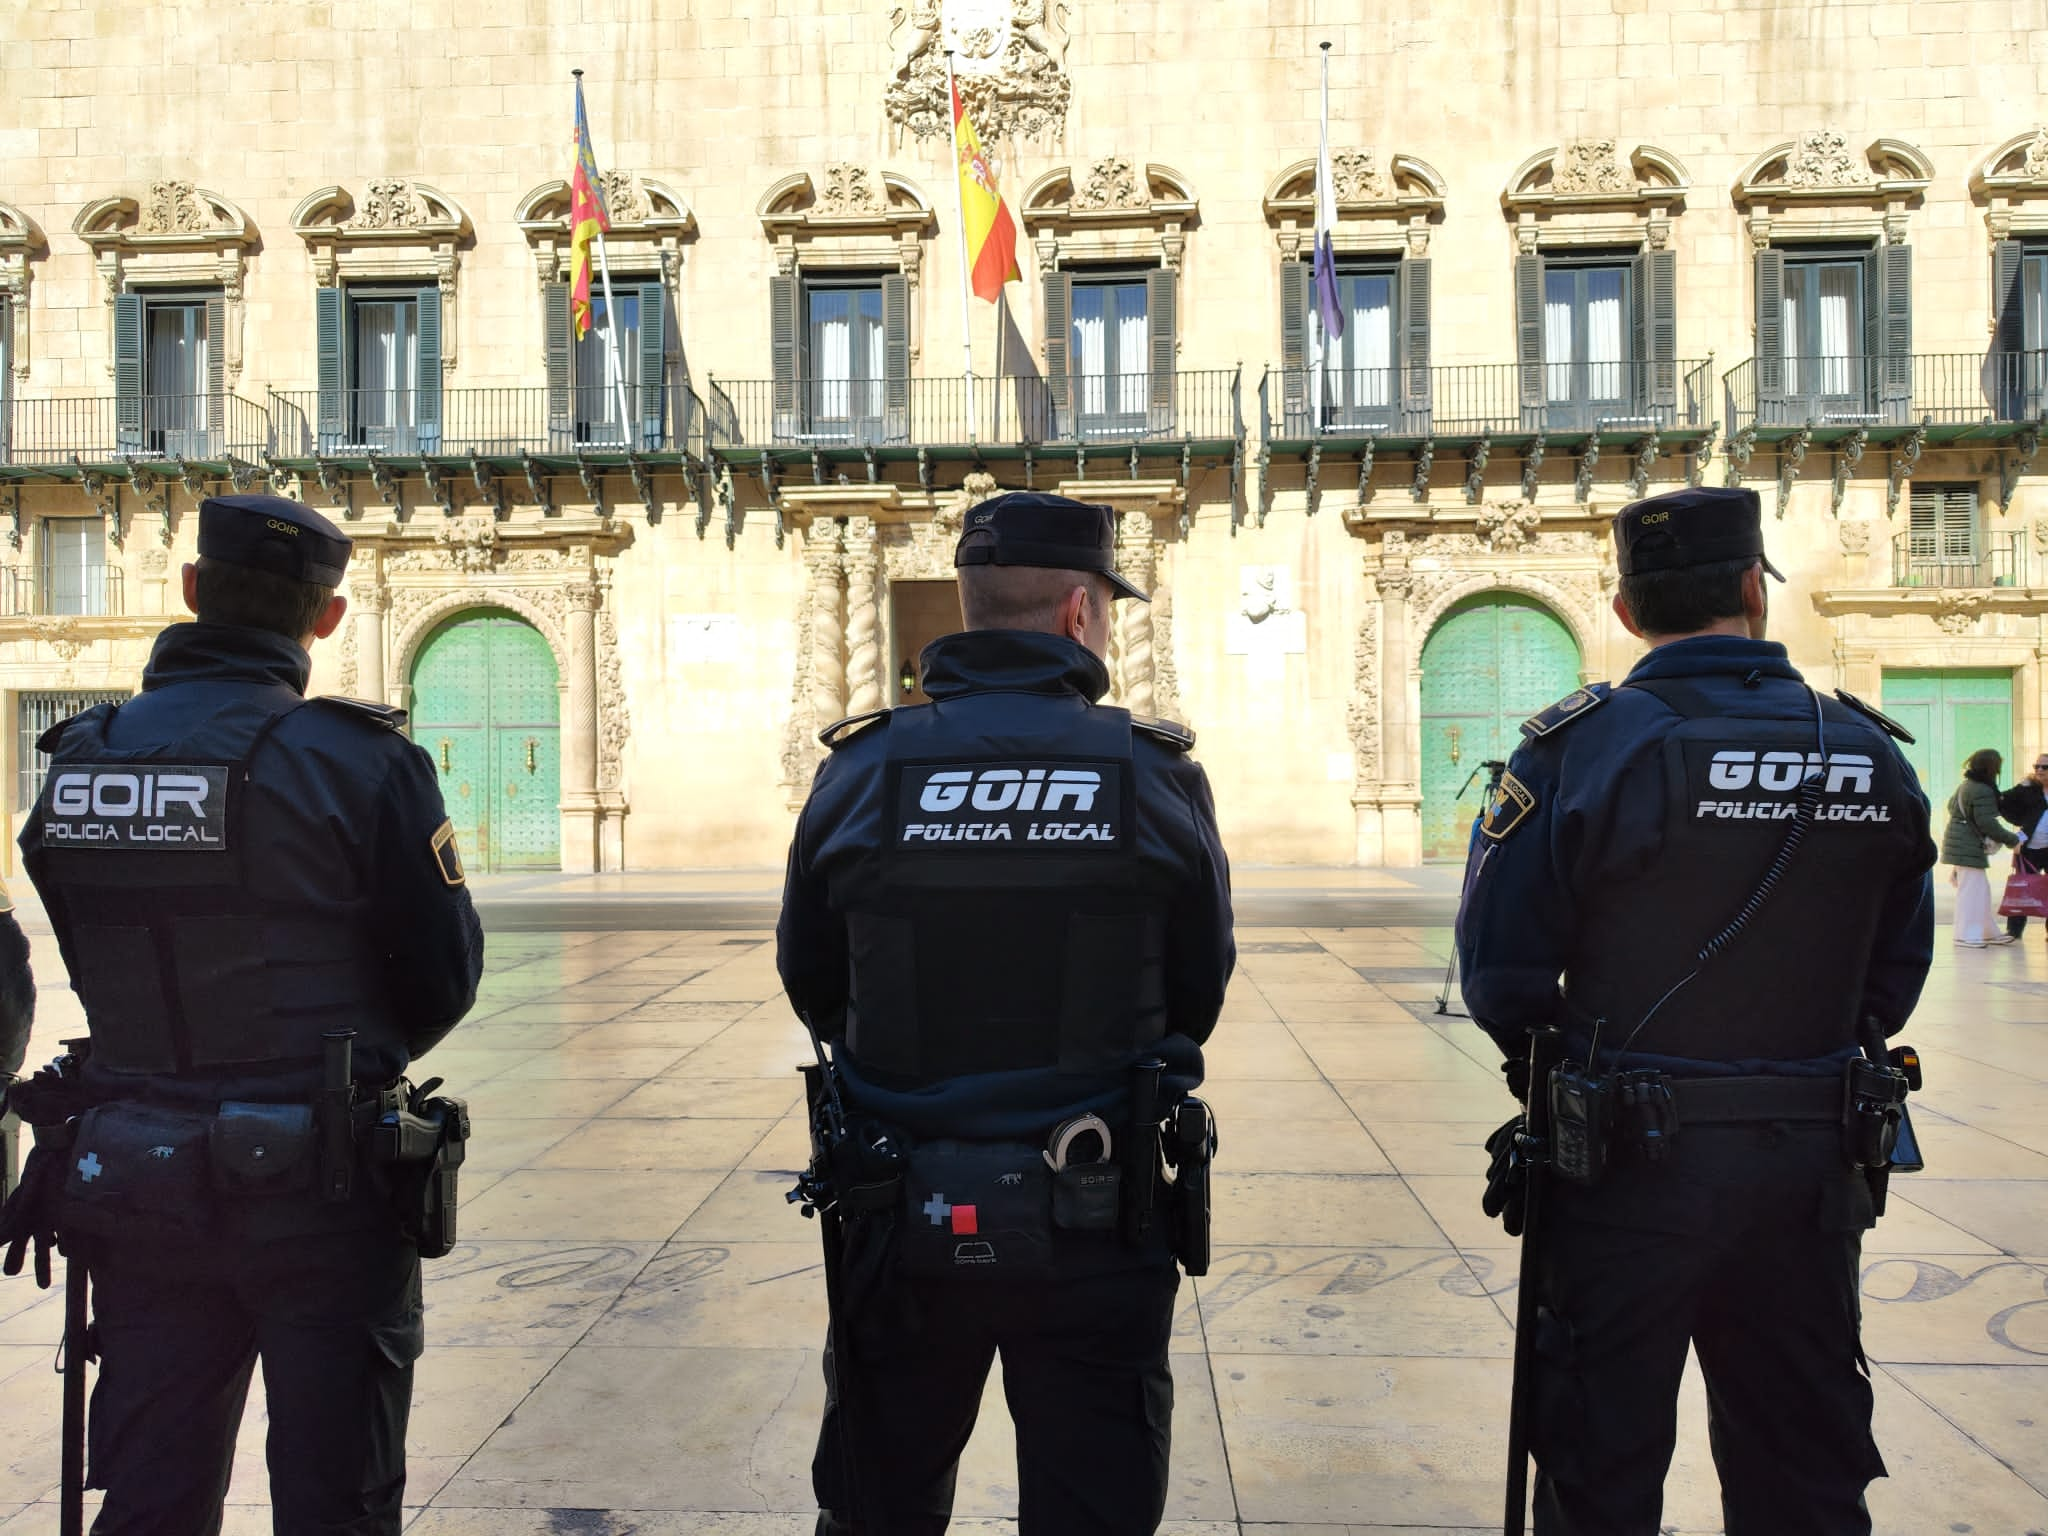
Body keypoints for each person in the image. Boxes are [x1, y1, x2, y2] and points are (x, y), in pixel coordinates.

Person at [1455, 485, 1936, 1535]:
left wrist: (1572, 1073)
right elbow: (1893, 973)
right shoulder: (1868, 751)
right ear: (1754, 591)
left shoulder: (1577, 746)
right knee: (1803, 1469)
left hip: (1625, 1168)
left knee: (1597, 1463)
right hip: (1810, 1168)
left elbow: (1500, 973)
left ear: (1624, 610)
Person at [5, 493, 484, 1535]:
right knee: (337, 1495)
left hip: (134, 1173)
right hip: (319, 1181)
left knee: (150, 1489)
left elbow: (81, 940)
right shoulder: (359, 762)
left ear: (190, 591)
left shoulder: (80, 758)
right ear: (326, 618)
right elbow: (442, 979)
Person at [777, 490, 1234, 1536]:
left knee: (877, 1506)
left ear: (969, 606)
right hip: (1095, 1207)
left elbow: (811, 983)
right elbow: (1198, 991)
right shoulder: (1152, 775)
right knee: (1092, 1507)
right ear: (1081, 613)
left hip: (899, 1203)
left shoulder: (858, 770)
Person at [1942, 748, 2020, 947]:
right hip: (1967, 844)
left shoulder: (1967, 785)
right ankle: (1966, 935)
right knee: (1972, 892)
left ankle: (1987, 932)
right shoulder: (1981, 789)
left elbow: (1952, 807)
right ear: (1991, 767)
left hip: (1962, 842)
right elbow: (1987, 822)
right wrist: (2012, 840)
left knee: (1980, 890)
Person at [1996, 751, 2048, 939]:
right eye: (2037, 766)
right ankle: (2014, 931)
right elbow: (2001, 800)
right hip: (2028, 848)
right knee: (2022, 888)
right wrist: (2017, 829)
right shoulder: (2028, 789)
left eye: (2044, 767)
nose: (2039, 770)